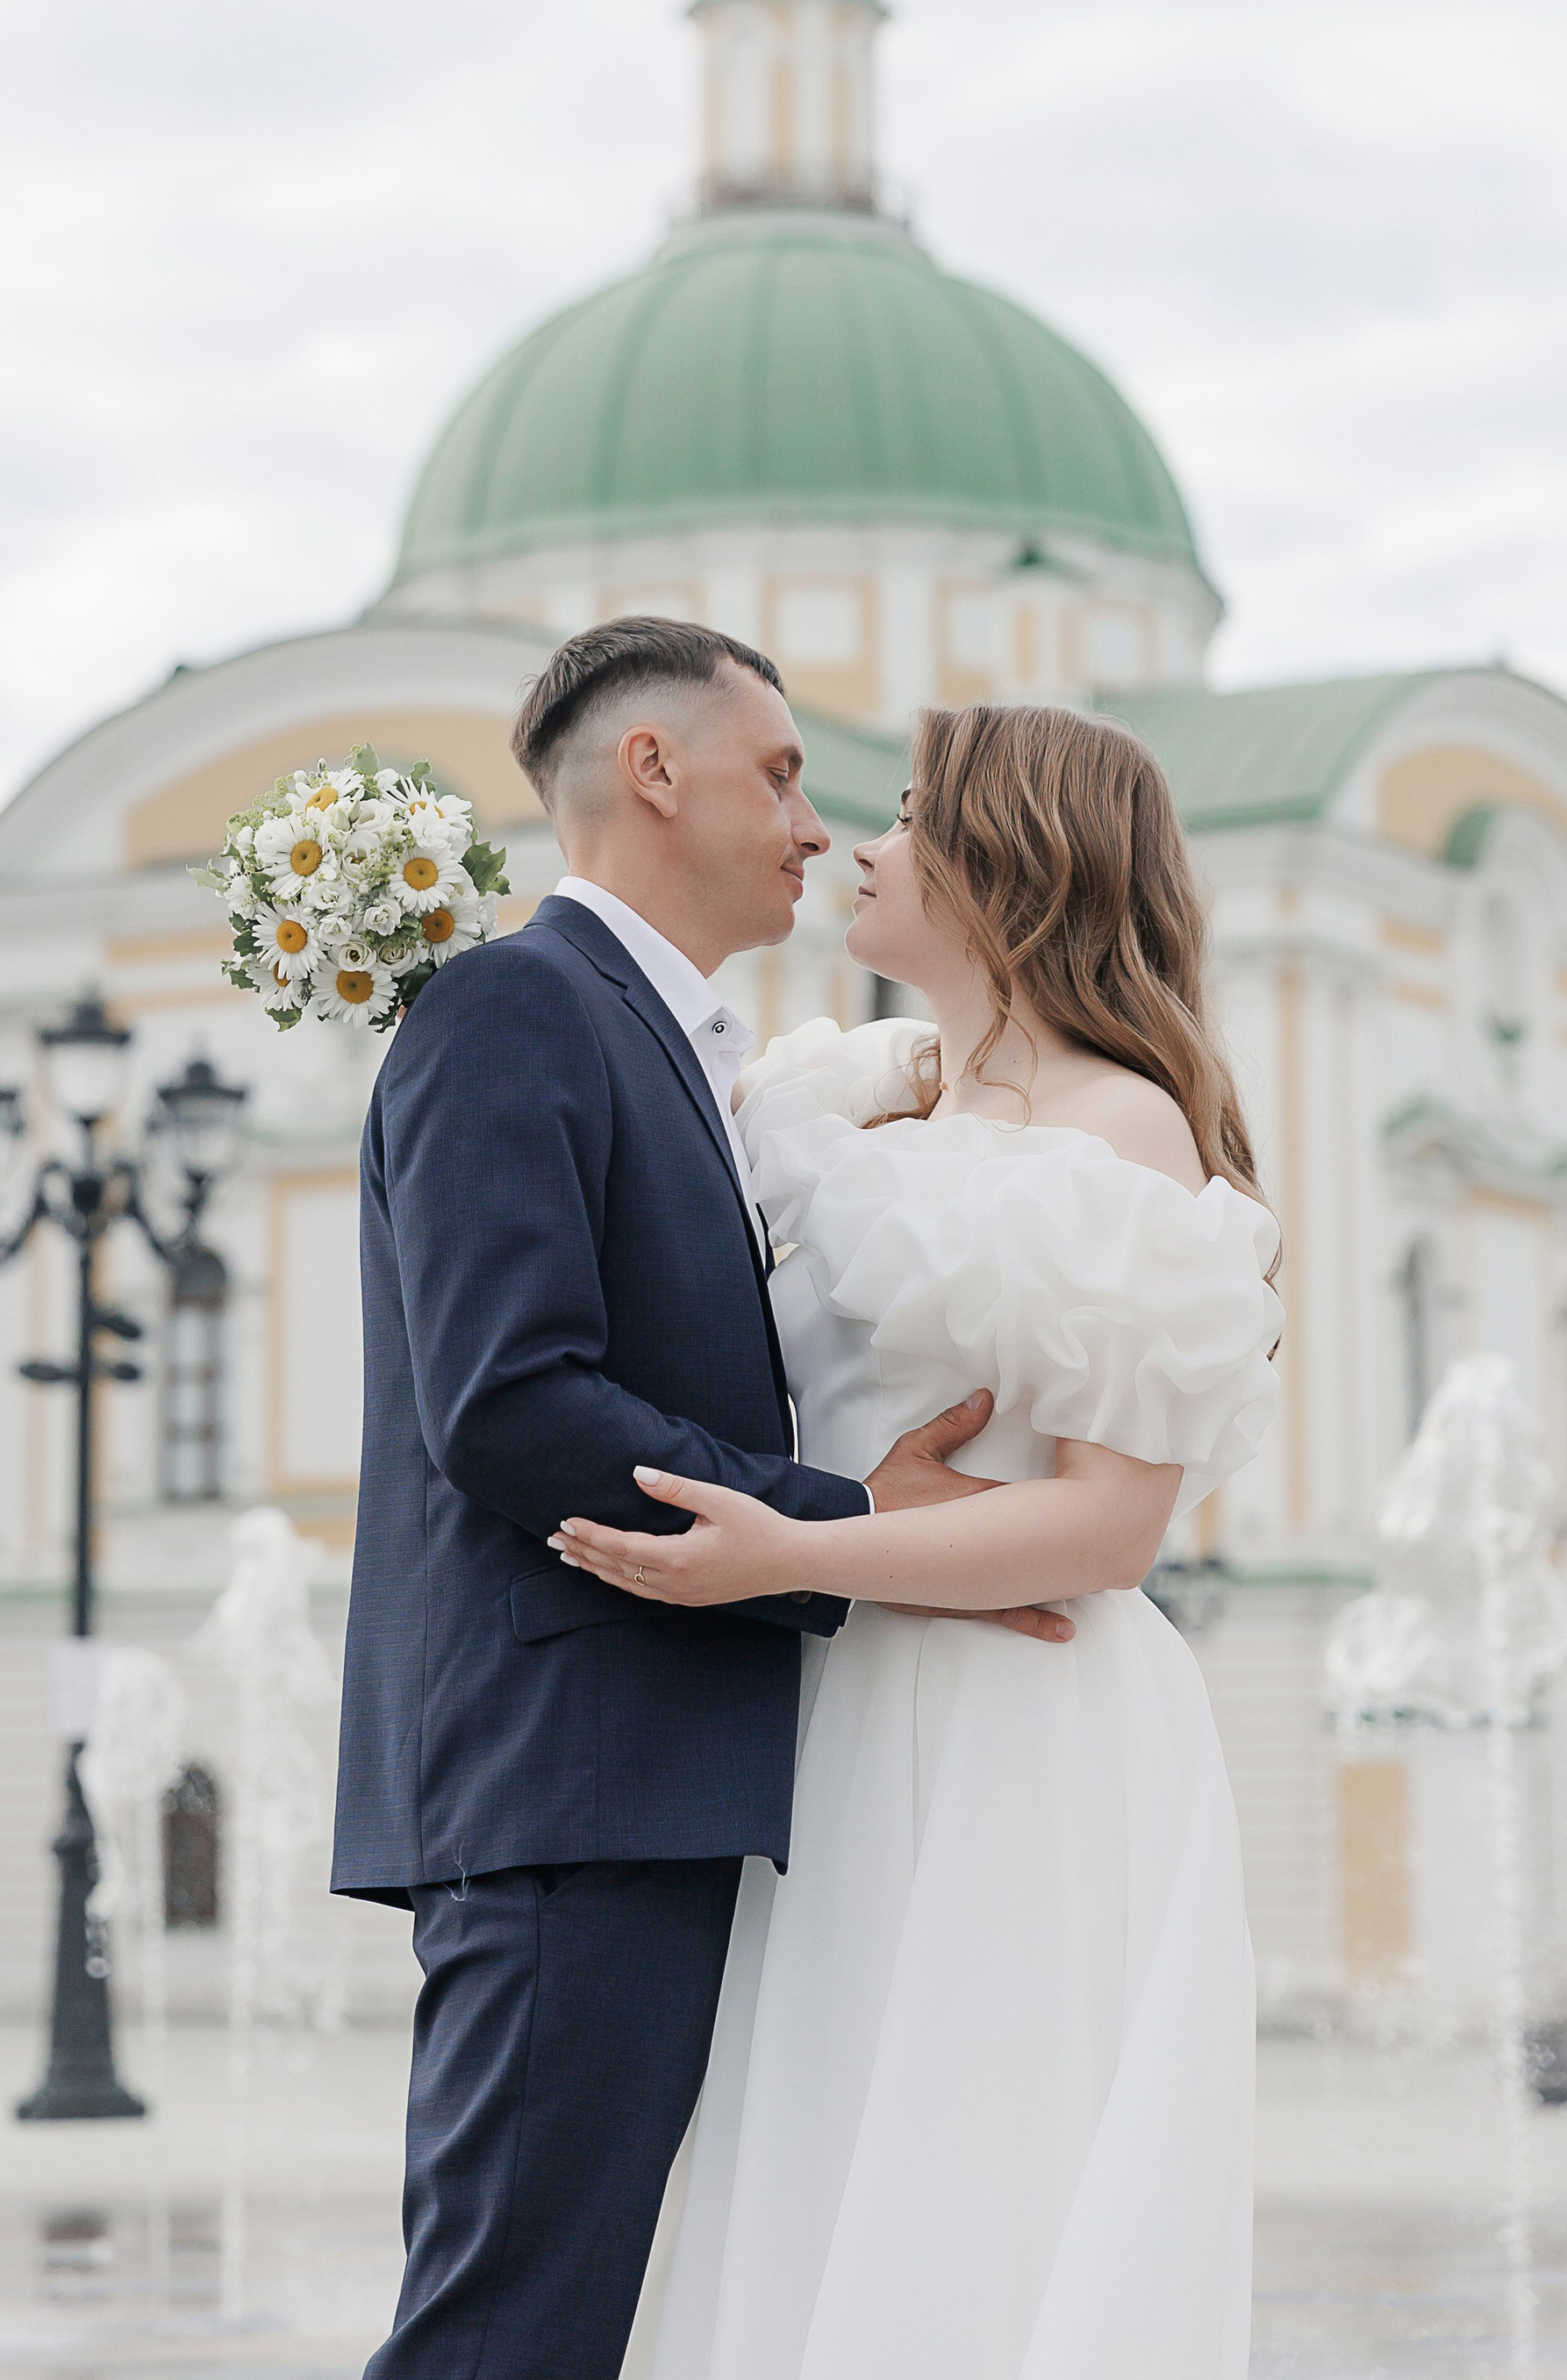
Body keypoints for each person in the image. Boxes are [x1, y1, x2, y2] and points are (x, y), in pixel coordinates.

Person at [332, 620, 1079, 2380]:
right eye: (779, 773)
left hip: (645, 1773)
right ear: (651, 772)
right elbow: (509, 1405)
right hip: (569, 1778)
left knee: (585, 2320)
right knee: (510, 2329)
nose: (814, 825)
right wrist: (842, 1525)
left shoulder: (668, 1039)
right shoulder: (515, 1003)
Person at [556, 697, 1283, 2380]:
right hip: (848, 1713)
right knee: (821, 2152)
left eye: (904, 817)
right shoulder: (865, 1107)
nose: (858, 845)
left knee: (974, 2185)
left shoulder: (1122, 1132)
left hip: (1017, 1733)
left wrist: (789, 1553)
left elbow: (1111, 1524)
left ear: (1006, 863)